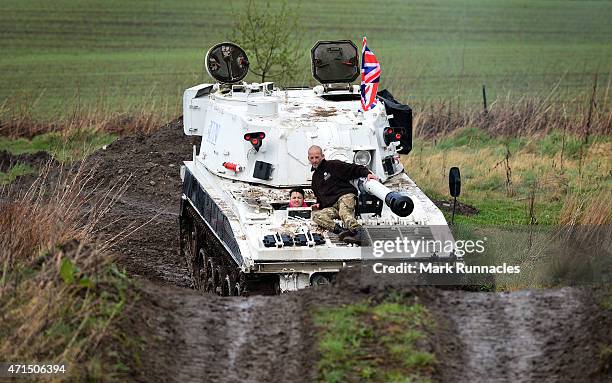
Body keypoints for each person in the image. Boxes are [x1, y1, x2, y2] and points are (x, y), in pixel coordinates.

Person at [308, 145, 378, 245]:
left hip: (345, 196)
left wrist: (366, 173)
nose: (314, 160)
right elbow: (320, 197)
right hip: (333, 206)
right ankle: (342, 232)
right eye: (312, 158)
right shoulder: (315, 178)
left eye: (317, 157)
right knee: (317, 216)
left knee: (344, 213)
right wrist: (319, 204)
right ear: (308, 159)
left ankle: (360, 233)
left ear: (322, 156)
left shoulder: (333, 165)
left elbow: (353, 168)